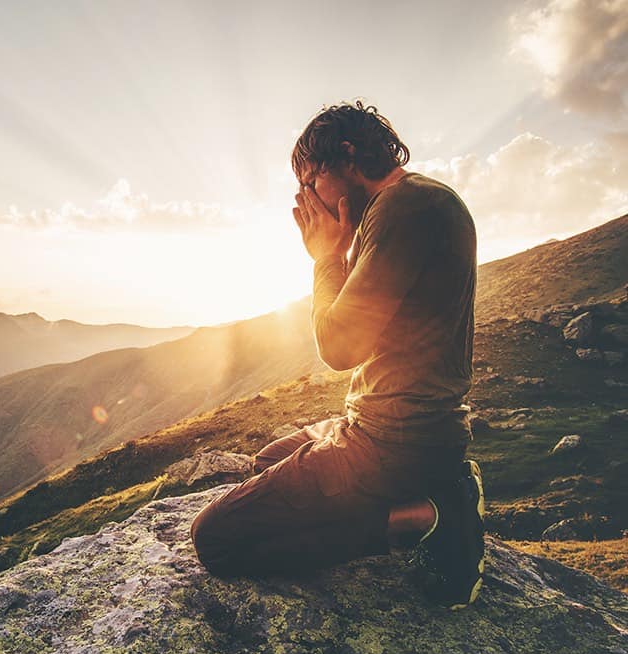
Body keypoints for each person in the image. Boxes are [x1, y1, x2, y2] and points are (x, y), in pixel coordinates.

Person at [189, 101, 485, 609]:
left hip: (394, 442)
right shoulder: (409, 204)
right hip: (402, 431)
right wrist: (341, 252)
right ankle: (440, 485)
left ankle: (424, 517)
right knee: (266, 461)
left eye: (310, 181)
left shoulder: (404, 208)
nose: (306, 198)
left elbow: (341, 347)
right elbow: (368, 323)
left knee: (215, 539)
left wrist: (326, 257)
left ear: (346, 156)